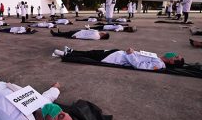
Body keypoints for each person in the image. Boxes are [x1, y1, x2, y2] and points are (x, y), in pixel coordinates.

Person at [54, 47, 184, 70]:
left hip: (116, 58)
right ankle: (71, 51)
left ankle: (65, 55)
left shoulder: (159, 65)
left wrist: (130, 53)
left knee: (89, 56)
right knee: (91, 52)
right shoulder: (158, 58)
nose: (173, 54)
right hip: (118, 53)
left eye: (176, 56)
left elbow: (139, 65)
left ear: (172, 61)